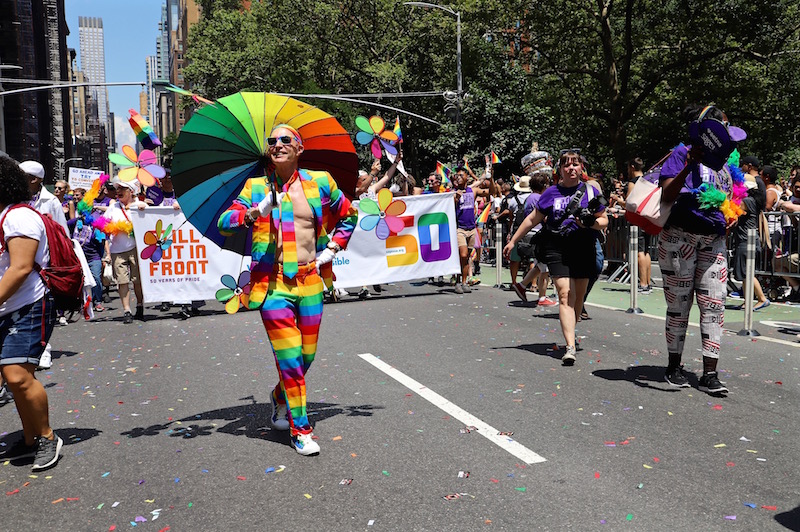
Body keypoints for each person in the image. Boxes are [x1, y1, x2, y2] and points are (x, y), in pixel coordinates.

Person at [218, 124, 357, 456]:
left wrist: (333, 249)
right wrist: (253, 213)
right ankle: (301, 430)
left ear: (299, 148)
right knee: (291, 360)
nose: (277, 145)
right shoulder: (254, 188)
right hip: (273, 285)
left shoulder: (320, 182)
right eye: (272, 141)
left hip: (310, 281)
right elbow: (225, 222)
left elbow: (349, 216)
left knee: (306, 356)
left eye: (285, 140)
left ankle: (280, 397)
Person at [657, 104, 746, 394]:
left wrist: (733, 214)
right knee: (679, 307)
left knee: (714, 307)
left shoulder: (728, 163)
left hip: (713, 242)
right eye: (719, 125)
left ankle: (710, 374)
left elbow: (733, 199)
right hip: (679, 239)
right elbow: (668, 194)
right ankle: (674, 366)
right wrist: (688, 166)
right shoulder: (681, 154)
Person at [504, 150, 608, 365]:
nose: (571, 168)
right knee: (564, 293)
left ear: (581, 168)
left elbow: (604, 220)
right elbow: (532, 218)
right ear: (559, 170)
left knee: (578, 297)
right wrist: (513, 240)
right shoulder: (551, 193)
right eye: (566, 165)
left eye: (575, 164)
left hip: (584, 247)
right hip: (557, 247)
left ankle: (572, 328)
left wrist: (590, 223)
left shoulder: (590, 191)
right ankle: (570, 347)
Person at [0, 156, 61, 470]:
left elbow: (21, 267)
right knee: (12, 379)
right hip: (6, 307)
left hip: (29, 305)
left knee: (18, 375)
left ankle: (47, 436)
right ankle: (28, 438)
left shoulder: (19, 217)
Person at [97, 180, 147, 324]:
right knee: (122, 281)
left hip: (136, 249)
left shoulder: (139, 205)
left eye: (122, 189)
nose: (118, 191)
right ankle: (127, 310)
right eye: (117, 189)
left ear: (131, 191)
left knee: (137, 281)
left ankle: (139, 305)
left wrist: (140, 207)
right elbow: (103, 223)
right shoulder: (114, 207)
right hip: (117, 250)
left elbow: (150, 216)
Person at [731, 158, 769, 310]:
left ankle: (761, 298)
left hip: (746, 240)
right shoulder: (753, 200)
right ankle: (748, 301)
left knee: (747, 273)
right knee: (746, 273)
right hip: (748, 240)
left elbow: (733, 211)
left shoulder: (746, 201)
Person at [452, 165, 495, 294]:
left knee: (467, 258)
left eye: (461, 175)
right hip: (459, 228)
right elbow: (450, 207)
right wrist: (456, 198)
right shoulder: (453, 192)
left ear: (467, 178)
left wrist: (491, 178)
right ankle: (458, 281)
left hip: (472, 228)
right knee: (463, 255)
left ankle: (464, 282)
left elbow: (491, 192)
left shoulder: (473, 191)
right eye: (457, 175)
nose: (458, 178)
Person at [626, 158, 653, 293]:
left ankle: (643, 284)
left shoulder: (633, 183)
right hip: (648, 218)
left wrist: (619, 200)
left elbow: (629, 203)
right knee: (646, 251)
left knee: (639, 252)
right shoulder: (649, 181)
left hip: (637, 220)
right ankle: (647, 282)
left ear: (632, 167)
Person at [19, 161, 68, 234]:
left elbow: (62, 232)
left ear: (33, 179)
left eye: (20, 176)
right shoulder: (13, 198)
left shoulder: (51, 201)